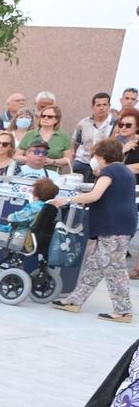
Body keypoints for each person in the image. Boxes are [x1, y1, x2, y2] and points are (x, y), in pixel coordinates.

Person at [53, 138, 139, 323]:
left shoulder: (109, 171)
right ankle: (75, 300)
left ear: (102, 156)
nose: (94, 159)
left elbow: (95, 194)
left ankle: (123, 310)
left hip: (113, 225)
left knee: (114, 268)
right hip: (123, 224)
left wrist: (68, 200)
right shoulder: (126, 171)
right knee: (95, 264)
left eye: (96, 155)